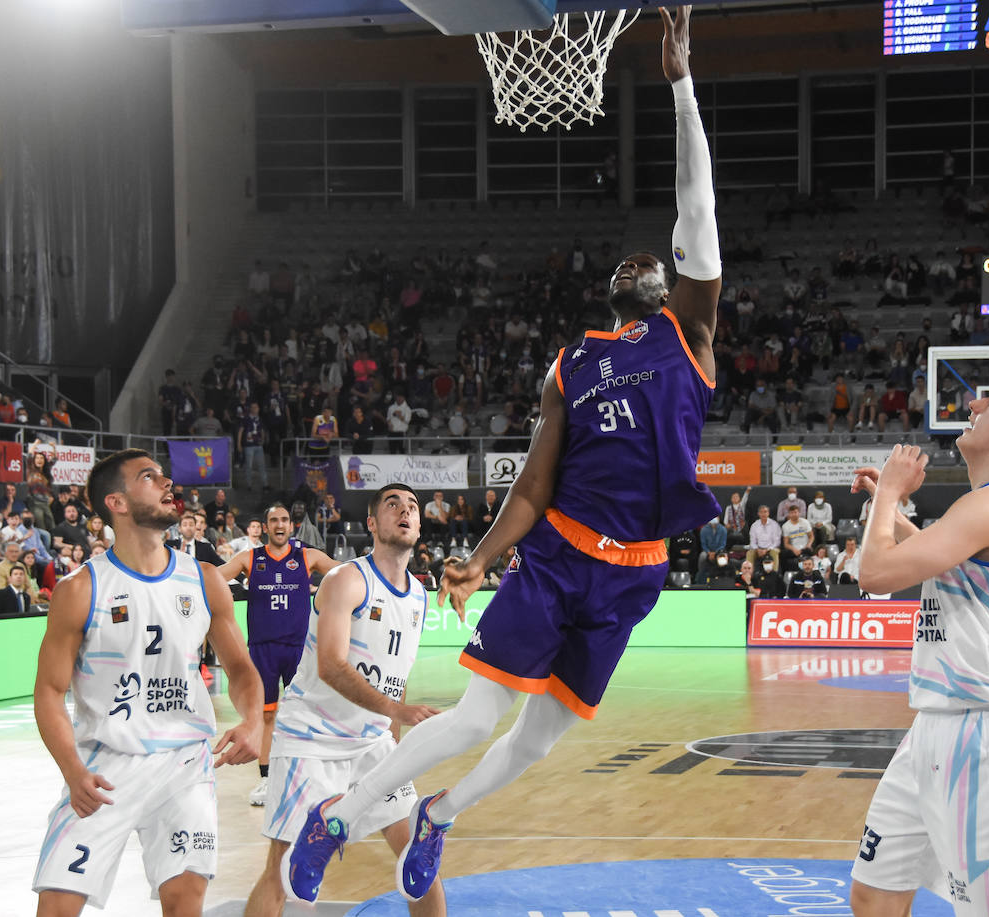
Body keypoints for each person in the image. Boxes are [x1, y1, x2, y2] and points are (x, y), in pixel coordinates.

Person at [283, 8, 723, 905]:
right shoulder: (578, 359)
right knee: (479, 712)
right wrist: (482, 556)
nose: (649, 260)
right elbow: (531, 479)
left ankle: (439, 818)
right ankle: (338, 816)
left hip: (635, 573)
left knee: (540, 738)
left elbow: (698, 206)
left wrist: (680, 89)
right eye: (632, 264)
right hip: (558, 556)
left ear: (672, 277)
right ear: (614, 294)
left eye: (661, 259)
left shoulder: (692, 332)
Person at [848, 372, 989, 917]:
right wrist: (895, 515)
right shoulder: (988, 505)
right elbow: (941, 559)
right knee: (874, 892)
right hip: (935, 725)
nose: (974, 403)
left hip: (983, 733)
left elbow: (875, 573)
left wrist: (887, 493)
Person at [31, 449, 263, 916]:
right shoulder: (80, 589)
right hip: (105, 768)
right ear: (116, 502)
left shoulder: (205, 580)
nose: (167, 483)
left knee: (184, 903)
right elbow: (49, 693)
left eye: (163, 475)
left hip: (184, 765)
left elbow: (240, 669)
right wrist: (73, 771)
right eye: (149, 477)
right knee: (58, 906)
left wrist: (253, 720)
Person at [243, 485, 444, 916]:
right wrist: (395, 710)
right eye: (393, 505)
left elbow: (396, 676)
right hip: (311, 738)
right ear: (371, 523)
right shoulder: (347, 580)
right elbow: (331, 666)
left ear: (420, 523)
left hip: (372, 743)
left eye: (412, 507)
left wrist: (394, 739)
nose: (404, 511)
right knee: (283, 870)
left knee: (418, 859)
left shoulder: (420, 595)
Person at [215, 503, 335, 807]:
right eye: (273, 520)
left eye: (284, 520)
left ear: (291, 526)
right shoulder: (249, 558)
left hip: (298, 649)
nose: (279, 524)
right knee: (266, 716)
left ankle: (306, 776)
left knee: (304, 714)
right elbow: (214, 577)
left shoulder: (307, 556)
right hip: (262, 649)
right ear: (265, 527)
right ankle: (268, 780)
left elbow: (346, 571)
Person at [746, 503, 781, 571]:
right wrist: (757, 549)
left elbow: (777, 542)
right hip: (758, 549)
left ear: (768, 513)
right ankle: (749, 574)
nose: (763, 514)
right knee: (749, 553)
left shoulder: (774, 525)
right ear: (758, 514)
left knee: (775, 552)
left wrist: (767, 550)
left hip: (771, 549)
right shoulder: (755, 525)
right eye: (761, 512)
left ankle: (774, 574)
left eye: (765, 512)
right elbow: (752, 541)